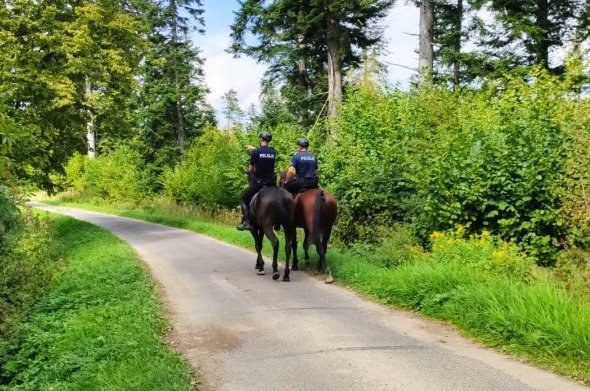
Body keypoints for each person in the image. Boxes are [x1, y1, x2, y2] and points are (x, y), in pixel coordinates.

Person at [237, 131, 277, 231]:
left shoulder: (256, 152)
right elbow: (264, 152)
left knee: (242, 198)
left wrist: (250, 171)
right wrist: (255, 149)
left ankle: (246, 222)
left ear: (260, 139)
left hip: (259, 183)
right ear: (269, 140)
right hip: (271, 183)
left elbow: (251, 169)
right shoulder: (273, 151)